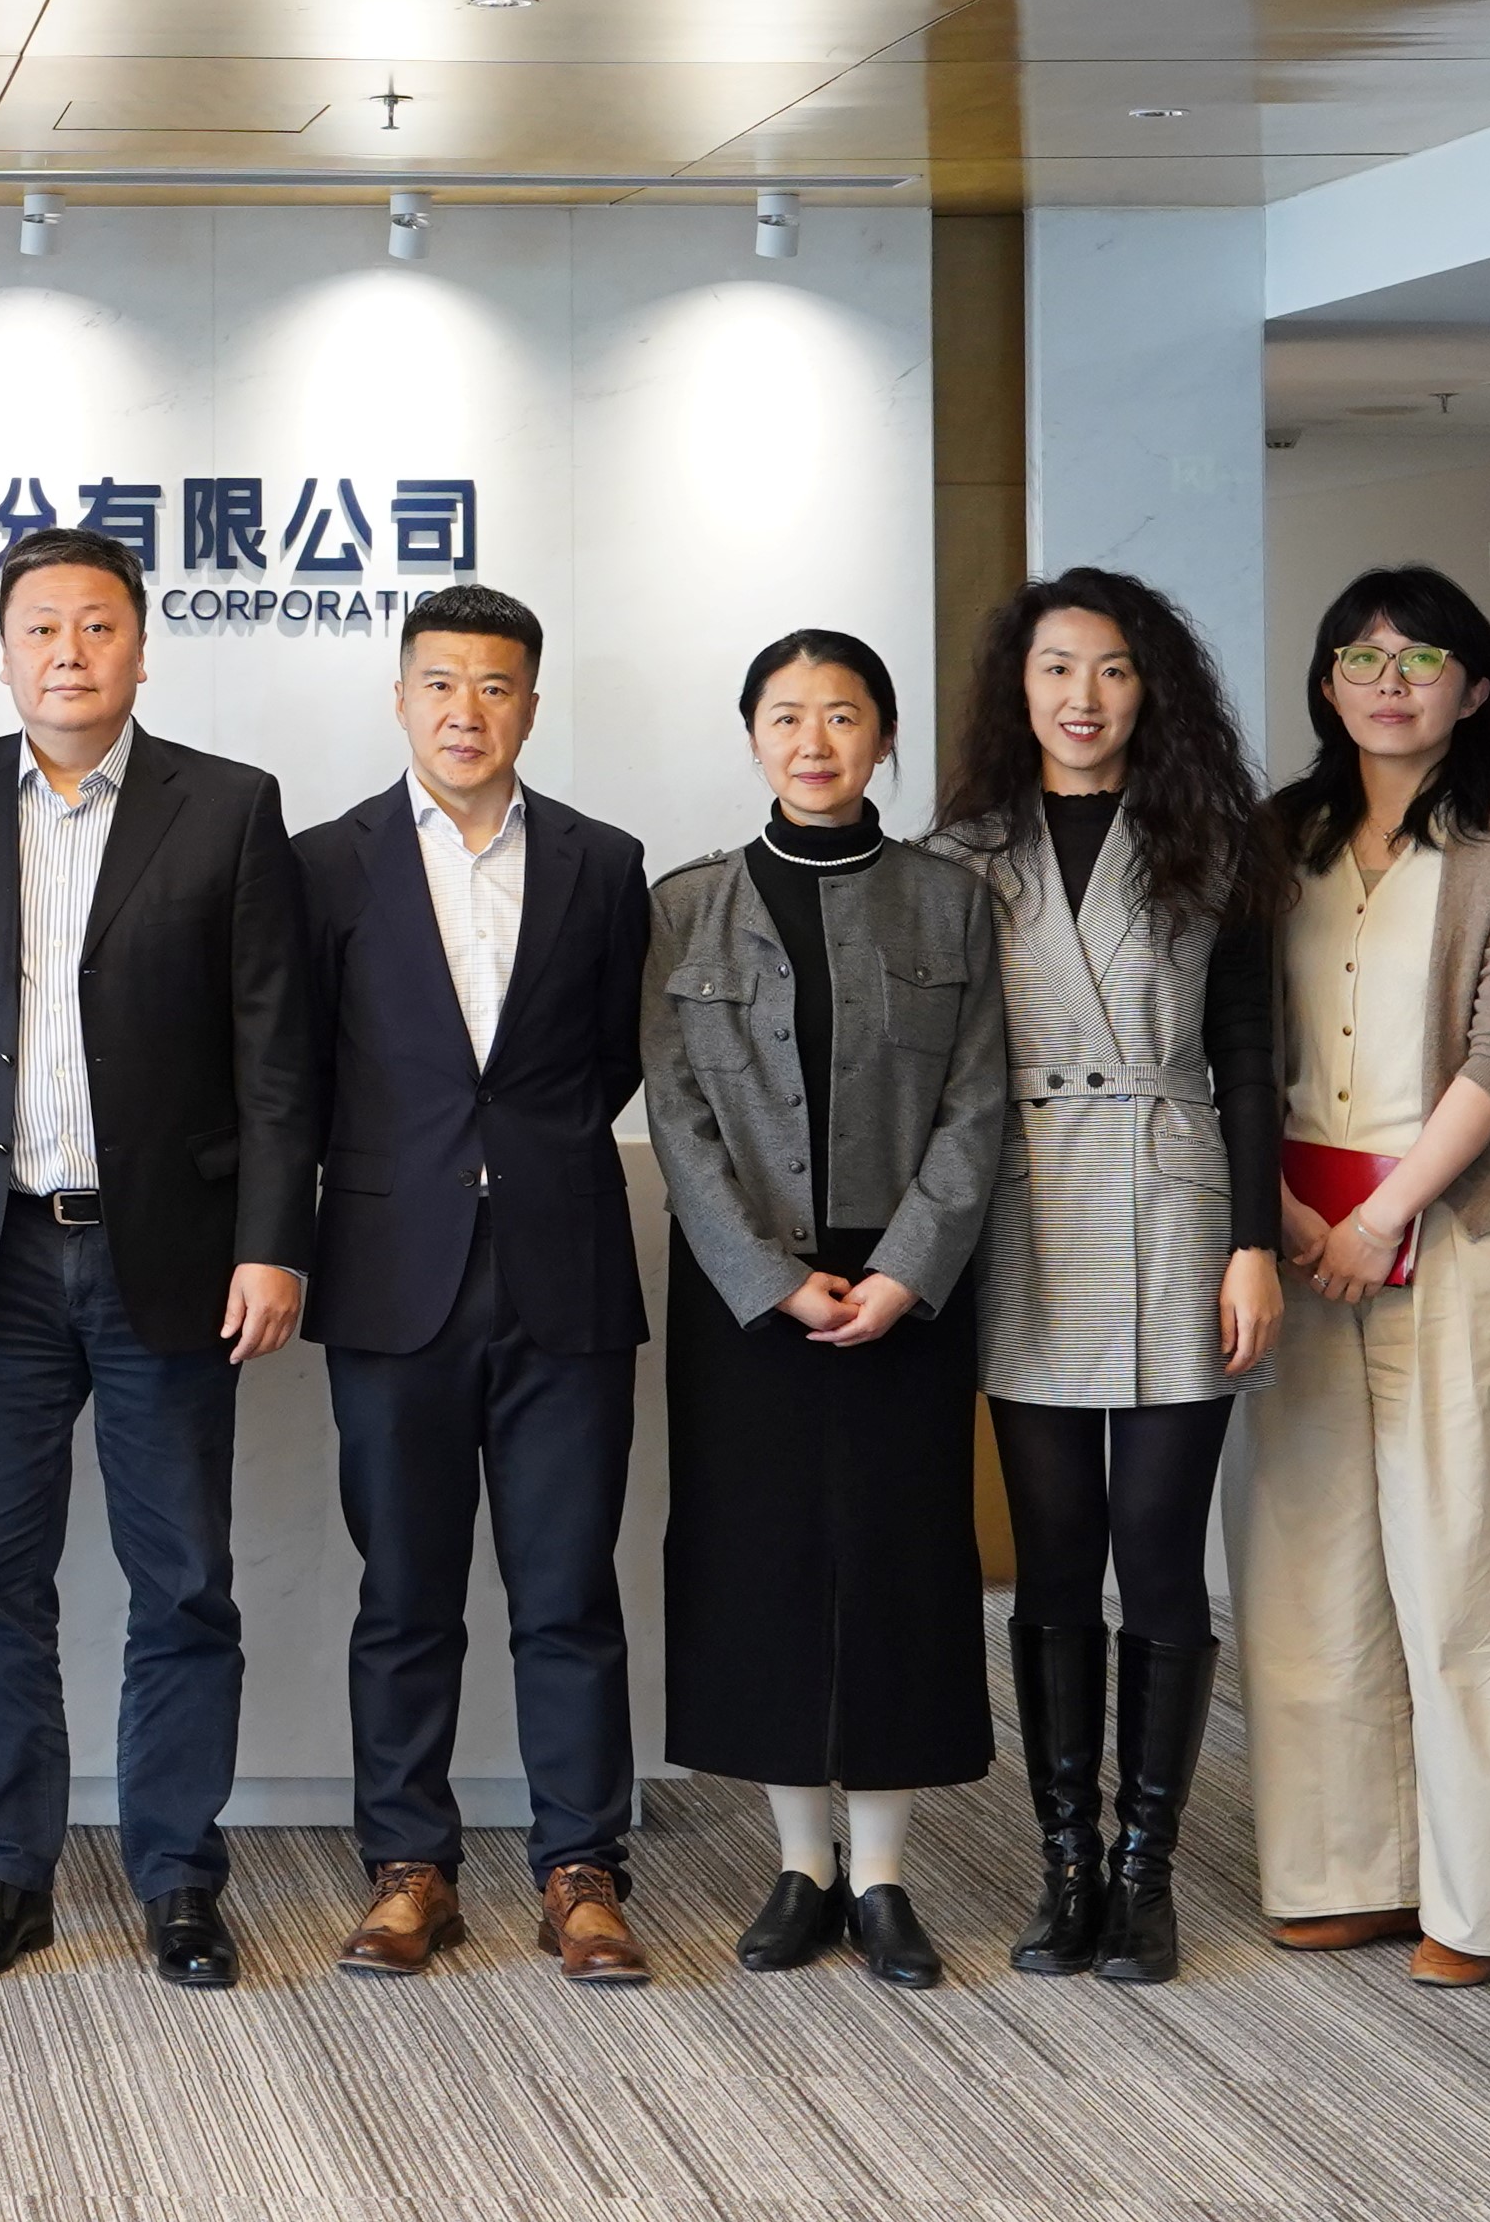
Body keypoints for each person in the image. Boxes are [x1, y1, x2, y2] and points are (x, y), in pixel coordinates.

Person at [0, 525, 316, 1991]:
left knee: (182, 1580)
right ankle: (5, 1875)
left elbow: (275, 1052)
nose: (67, 653)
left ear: (141, 645)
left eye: (96, 626)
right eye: (40, 628)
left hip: (172, 1255)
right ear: (2, 651)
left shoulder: (229, 806)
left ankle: (178, 1880)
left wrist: (273, 1242)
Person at [920, 568, 1287, 1987]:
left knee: (1160, 1552)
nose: (1085, 697)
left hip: (1178, 1198)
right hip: (1026, 1214)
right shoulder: (962, 854)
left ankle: (1148, 1872)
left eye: (1115, 669)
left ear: (1153, 689)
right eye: (1058, 669)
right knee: (1056, 1555)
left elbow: (1249, 1054)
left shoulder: (1212, 840)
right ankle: (1063, 1862)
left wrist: (1254, 1240)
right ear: (1018, 689)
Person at [641, 626, 1013, 1993]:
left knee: (901, 1561)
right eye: (787, 716)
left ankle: (886, 1876)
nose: (814, 741)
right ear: (752, 736)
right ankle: (800, 1866)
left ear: (884, 737)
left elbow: (978, 1099)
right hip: (748, 1291)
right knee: (765, 1563)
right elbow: (677, 1114)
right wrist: (767, 1277)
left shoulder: (949, 902)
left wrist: (911, 1267)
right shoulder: (686, 907)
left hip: (907, 1285)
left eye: (843, 715)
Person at [298, 582, 655, 1986]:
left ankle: (582, 1868)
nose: (466, 711)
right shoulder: (325, 865)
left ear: (531, 705)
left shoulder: (603, 863)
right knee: (405, 1590)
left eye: (495, 686)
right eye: (440, 683)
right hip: (394, 1273)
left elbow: (614, 1054)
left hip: (564, 1267)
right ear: (400, 698)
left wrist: (527, 1161)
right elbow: (300, 1070)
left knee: (568, 1588)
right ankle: (409, 1868)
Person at [1235, 564, 1490, 1988]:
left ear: (1476, 686)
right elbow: (1231, 1038)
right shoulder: (1281, 834)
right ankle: (1343, 1874)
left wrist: (1385, 1215)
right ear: (1326, 685)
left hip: (1455, 1237)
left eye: (1423, 658)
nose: (1392, 682)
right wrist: (1283, 1216)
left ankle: (1477, 1904)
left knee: (1473, 1569)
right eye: (1362, 659)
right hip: (1296, 1244)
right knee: (1305, 1567)